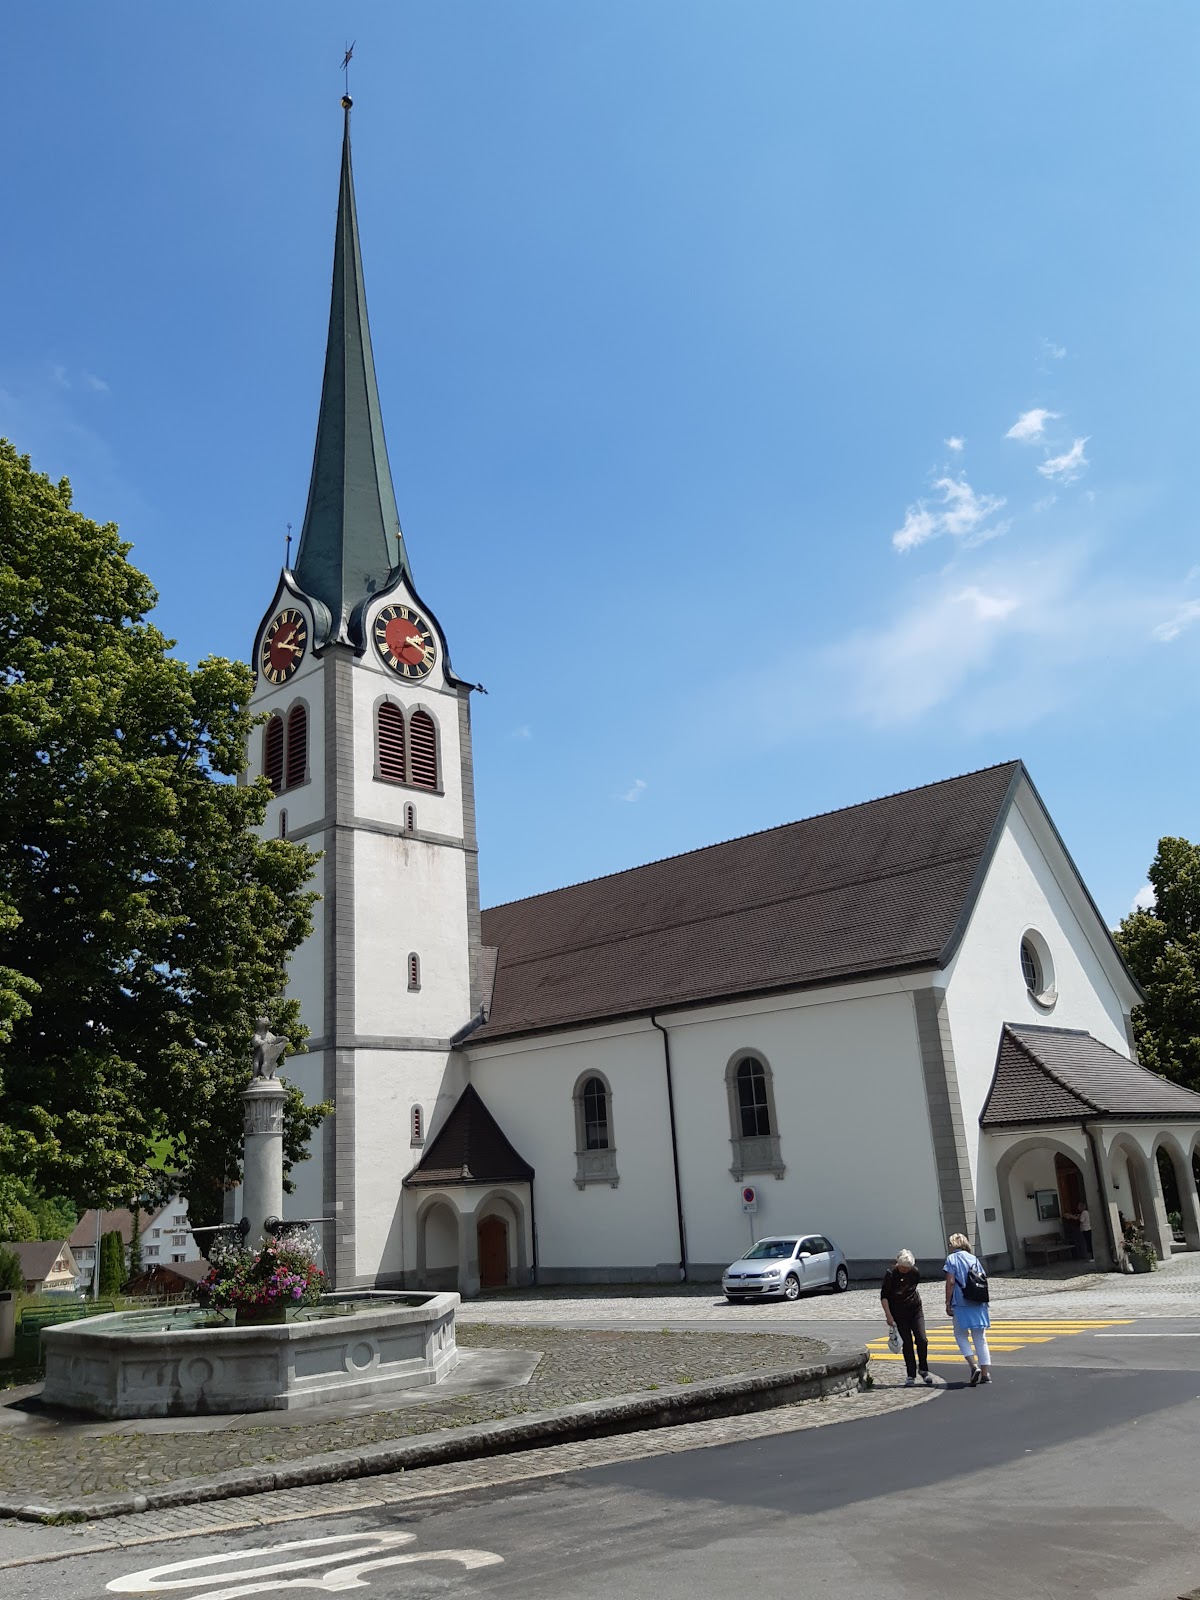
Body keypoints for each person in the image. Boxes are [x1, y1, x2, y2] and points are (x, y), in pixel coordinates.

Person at [944, 1231, 992, 1386]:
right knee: (980, 1338)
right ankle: (985, 1374)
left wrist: (947, 1302)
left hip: (961, 1301)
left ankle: (973, 1365)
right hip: (978, 1300)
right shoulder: (974, 1258)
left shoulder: (951, 1259)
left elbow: (951, 1282)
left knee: (960, 1334)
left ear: (953, 1245)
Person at [881, 1248, 932, 1387]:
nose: (906, 1270)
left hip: (915, 1309)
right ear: (898, 1264)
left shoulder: (914, 1272)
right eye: (903, 1267)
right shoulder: (891, 1274)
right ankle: (911, 1374)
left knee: (922, 1339)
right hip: (899, 1313)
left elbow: (913, 1288)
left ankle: (923, 1369)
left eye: (908, 1268)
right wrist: (888, 1316)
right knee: (907, 1343)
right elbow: (884, 1296)